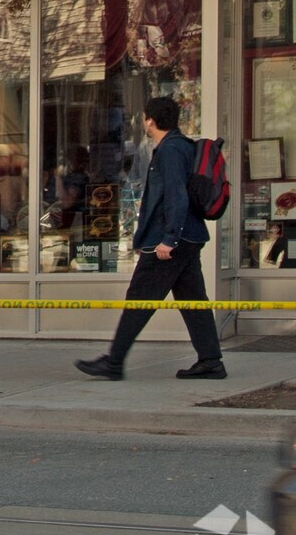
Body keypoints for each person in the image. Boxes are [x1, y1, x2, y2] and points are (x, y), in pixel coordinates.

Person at [75, 95, 224, 381]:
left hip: (167, 242)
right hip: (188, 236)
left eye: (145, 117)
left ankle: (114, 362)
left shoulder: (170, 150)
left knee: (139, 298)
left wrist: (169, 239)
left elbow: (176, 196)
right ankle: (211, 361)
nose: (144, 121)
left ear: (151, 120)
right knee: (193, 300)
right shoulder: (180, 146)